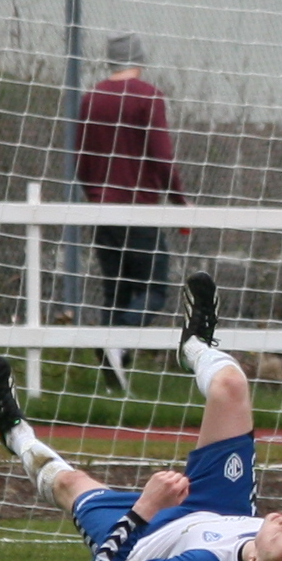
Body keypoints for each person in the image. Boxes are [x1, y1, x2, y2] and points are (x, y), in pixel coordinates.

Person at [0, 272, 282, 561]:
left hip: (145, 535)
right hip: (223, 506)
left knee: (70, 483)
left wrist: (144, 509)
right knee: (231, 387)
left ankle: (15, 434)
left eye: (278, 533)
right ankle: (195, 346)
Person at [71, 34, 185, 391]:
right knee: (154, 289)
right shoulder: (148, 97)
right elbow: (162, 156)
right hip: (138, 209)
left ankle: (113, 381)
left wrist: (95, 195)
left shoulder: (91, 99)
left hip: (102, 210)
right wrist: (180, 202)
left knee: (116, 292)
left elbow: (81, 158)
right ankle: (117, 341)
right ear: (140, 59)